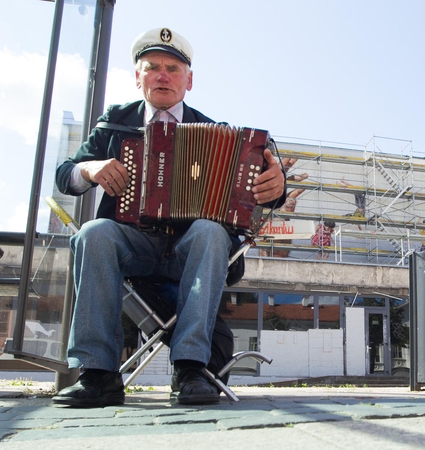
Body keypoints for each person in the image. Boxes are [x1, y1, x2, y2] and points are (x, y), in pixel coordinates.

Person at [52, 28, 286, 407]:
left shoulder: (215, 130)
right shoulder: (115, 121)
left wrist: (277, 188)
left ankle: (191, 368)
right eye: (153, 67)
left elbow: (260, 190)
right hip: (133, 244)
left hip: (186, 249)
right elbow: (66, 174)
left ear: (188, 80)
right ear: (138, 76)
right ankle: (97, 374)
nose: (163, 75)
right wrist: (91, 168)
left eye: (173, 68)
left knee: (211, 231)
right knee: (94, 233)